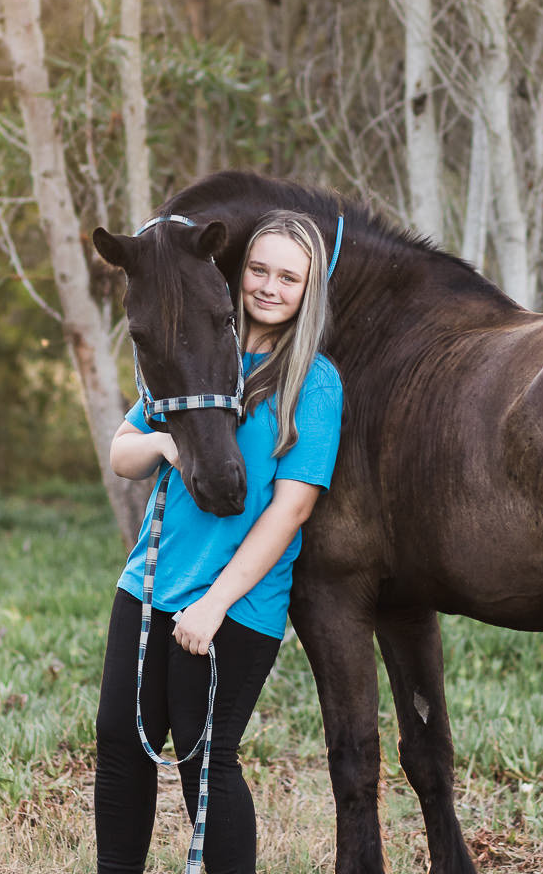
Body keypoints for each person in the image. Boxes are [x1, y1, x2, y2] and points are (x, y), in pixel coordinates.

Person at [94, 210, 343, 874]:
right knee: (120, 743)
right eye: (259, 269)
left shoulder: (313, 382)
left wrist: (214, 605)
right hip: (149, 584)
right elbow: (122, 453)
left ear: (309, 288)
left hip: (234, 604)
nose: (269, 287)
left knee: (206, 760)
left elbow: (290, 511)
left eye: (288, 277)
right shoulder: (198, 349)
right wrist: (162, 444)